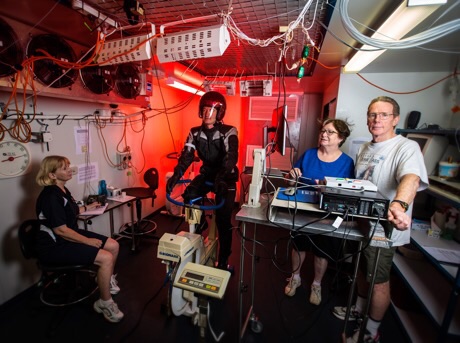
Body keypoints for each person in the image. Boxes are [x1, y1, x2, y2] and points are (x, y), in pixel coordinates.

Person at [332, 96, 428, 342]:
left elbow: (411, 178)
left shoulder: (406, 147)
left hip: (384, 227)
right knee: (363, 272)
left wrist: (399, 204)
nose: (377, 120)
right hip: (363, 222)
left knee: (378, 281)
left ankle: (371, 332)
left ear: (395, 119)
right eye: (372, 114)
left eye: (384, 115)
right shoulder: (365, 147)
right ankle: (359, 310)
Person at [35, 155, 124, 323]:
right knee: (106, 258)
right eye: (64, 168)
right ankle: (104, 303)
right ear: (52, 175)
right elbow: (61, 230)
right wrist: (88, 242)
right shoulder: (50, 197)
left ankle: (105, 279)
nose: (70, 170)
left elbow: (70, 211)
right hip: (54, 246)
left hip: (67, 235)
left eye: (68, 166)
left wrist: (87, 207)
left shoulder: (62, 190)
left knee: (113, 245)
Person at [284, 118, 355, 305]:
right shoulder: (308, 155)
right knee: (299, 245)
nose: (324, 134)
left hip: (327, 213)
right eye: (323, 130)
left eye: (330, 132)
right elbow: (291, 182)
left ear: (341, 138)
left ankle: (316, 284)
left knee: (322, 250)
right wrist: (292, 177)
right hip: (303, 210)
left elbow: (349, 192)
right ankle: (295, 277)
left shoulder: (347, 163)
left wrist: (329, 187)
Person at [166, 91, 239, 270]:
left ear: (219, 113)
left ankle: (223, 259)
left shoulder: (229, 131)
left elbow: (231, 157)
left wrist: (222, 178)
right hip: (207, 174)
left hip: (226, 177)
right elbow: (186, 156)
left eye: (212, 110)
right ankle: (199, 224)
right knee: (189, 195)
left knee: (223, 221)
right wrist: (176, 175)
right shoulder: (194, 132)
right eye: (205, 109)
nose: (208, 113)